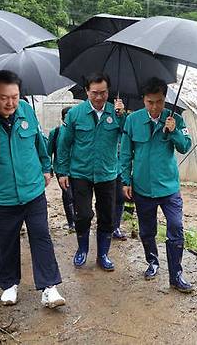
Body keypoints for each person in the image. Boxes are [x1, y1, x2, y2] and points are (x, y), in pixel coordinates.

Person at [0, 70, 65, 308]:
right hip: (0, 196)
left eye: (15, 97)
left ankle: (49, 287)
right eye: (4, 97)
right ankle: (9, 284)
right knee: (5, 241)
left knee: (41, 236)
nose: (10, 103)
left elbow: (39, 141)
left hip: (33, 191)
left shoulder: (26, 110)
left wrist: (46, 166)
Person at [120, 77, 194, 293]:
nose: (155, 107)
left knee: (176, 228)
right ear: (143, 100)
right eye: (150, 102)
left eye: (159, 102)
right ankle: (152, 262)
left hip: (169, 188)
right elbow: (126, 153)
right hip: (142, 188)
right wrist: (125, 180)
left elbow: (185, 146)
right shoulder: (133, 120)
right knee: (147, 230)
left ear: (165, 100)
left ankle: (176, 274)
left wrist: (174, 132)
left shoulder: (176, 119)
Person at [56, 72, 125, 271]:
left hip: (107, 173)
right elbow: (64, 144)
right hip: (81, 173)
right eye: (94, 93)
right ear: (87, 91)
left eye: (103, 93)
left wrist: (122, 117)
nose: (99, 97)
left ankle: (103, 254)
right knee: (83, 214)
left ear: (108, 91)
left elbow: (128, 136)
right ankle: (82, 249)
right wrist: (62, 171)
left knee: (107, 216)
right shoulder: (75, 114)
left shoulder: (116, 113)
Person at [47, 107, 76, 232]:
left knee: (78, 195)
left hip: (77, 168)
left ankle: (78, 219)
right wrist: (48, 168)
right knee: (68, 194)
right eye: (67, 117)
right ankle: (71, 222)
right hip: (61, 169)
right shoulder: (56, 132)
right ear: (62, 118)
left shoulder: (77, 131)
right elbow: (48, 152)